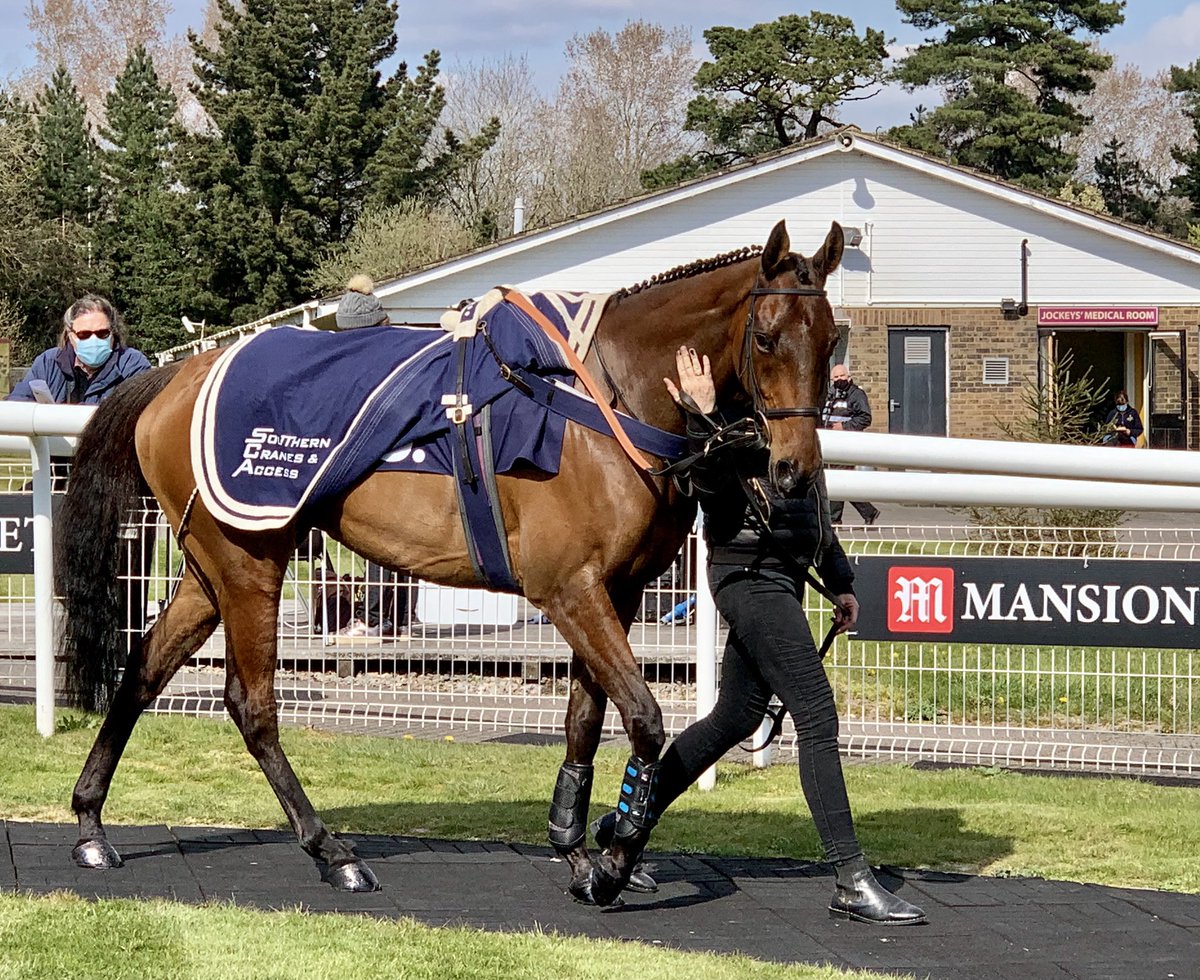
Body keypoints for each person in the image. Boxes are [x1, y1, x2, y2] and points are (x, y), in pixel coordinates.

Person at [593, 346, 926, 926]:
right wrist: (703, 413)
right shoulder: (725, 415)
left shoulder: (789, 413)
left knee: (734, 718)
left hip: (784, 580)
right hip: (749, 580)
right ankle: (850, 878)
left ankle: (627, 824)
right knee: (817, 715)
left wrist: (840, 580)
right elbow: (707, 483)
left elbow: (814, 503)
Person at [330, 276, 414, 641]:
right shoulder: (397, 352)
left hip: (371, 459)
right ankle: (400, 618)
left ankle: (373, 618)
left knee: (379, 542)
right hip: (407, 455)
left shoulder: (350, 360)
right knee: (406, 543)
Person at [8, 294, 151, 405]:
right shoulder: (47, 363)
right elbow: (18, 405)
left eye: (102, 334)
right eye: (84, 334)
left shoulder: (133, 366)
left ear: (113, 333)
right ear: (70, 335)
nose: (94, 340)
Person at [822, 364, 879, 526]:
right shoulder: (830, 395)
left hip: (847, 445)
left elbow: (865, 418)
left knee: (838, 480)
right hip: (830, 444)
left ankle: (834, 520)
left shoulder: (856, 394)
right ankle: (869, 512)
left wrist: (844, 427)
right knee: (842, 482)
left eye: (842, 376)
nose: (839, 380)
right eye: (836, 378)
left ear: (849, 376)